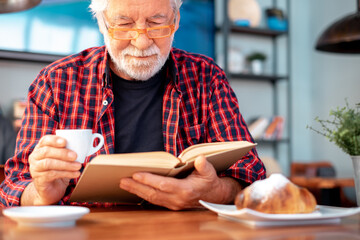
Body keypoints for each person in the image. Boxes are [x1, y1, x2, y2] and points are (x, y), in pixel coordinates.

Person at [0, 0, 266, 210]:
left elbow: (252, 174)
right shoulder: (55, 82)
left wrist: (215, 192)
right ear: (102, 23)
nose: (141, 41)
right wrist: (41, 194)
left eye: (157, 22)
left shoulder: (206, 78)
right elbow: (13, 186)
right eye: (124, 24)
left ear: (176, 21)